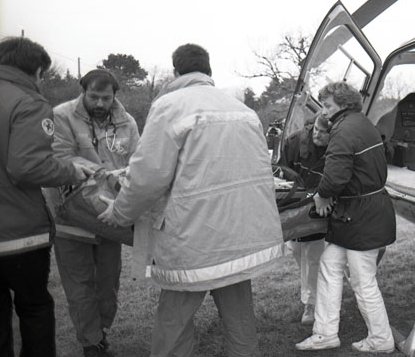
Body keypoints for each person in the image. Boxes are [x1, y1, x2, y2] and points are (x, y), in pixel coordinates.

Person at [98, 43, 284, 357]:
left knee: (174, 319)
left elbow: (148, 176)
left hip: (193, 239)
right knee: (239, 317)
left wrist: (119, 212)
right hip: (239, 237)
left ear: (176, 71)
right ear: (208, 70)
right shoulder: (243, 111)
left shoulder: (170, 106)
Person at [0, 36, 92, 357]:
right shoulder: (28, 103)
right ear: (36, 70)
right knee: (34, 307)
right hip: (17, 235)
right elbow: (27, 166)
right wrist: (71, 171)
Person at [295, 81, 396, 353]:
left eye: (328, 105)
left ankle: (381, 339)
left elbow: (335, 177)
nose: (323, 111)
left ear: (343, 104)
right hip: (358, 213)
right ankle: (325, 333)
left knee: (363, 280)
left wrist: (321, 195)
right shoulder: (362, 123)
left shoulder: (343, 129)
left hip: (361, 215)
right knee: (329, 264)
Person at [51, 69, 139, 357]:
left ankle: (101, 331)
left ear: (115, 96)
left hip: (109, 215)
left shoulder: (127, 123)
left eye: (106, 98)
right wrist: (101, 172)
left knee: (108, 283)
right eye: (94, 97)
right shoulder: (61, 116)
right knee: (79, 286)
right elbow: (60, 157)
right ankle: (92, 344)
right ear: (83, 92)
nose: (100, 103)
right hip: (71, 215)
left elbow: (138, 162)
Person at [281, 114, 330, 326]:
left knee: (313, 255)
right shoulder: (294, 142)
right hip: (295, 204)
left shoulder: (337, 148)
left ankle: (310, 303)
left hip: (319, 207)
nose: (318, 135)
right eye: (316, 130)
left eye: (324, 132)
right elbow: (282, 171)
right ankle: (313, 291)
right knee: (296, 250)